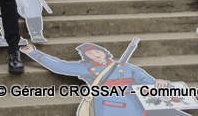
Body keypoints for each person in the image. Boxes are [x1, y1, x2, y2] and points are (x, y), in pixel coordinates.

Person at [21, 41, 173, 116]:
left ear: (104, 52)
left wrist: (160, 82)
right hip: (108, 105)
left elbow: (149, 82)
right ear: (86, 57)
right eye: (90, 54)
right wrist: (34, 53)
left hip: (135, 104)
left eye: (97, 51)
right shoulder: (86, 68)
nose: (95, 55)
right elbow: (60, 66)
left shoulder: (126, 67)